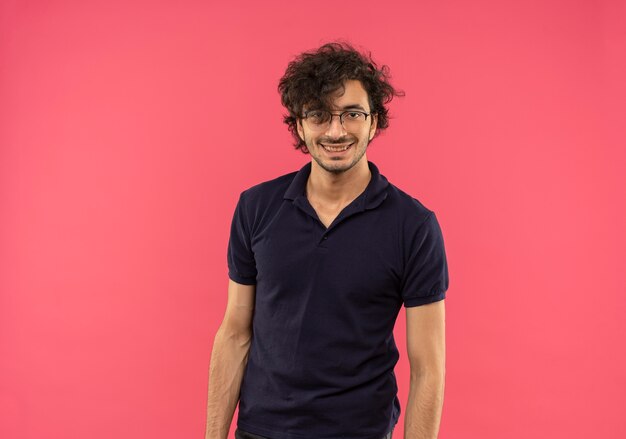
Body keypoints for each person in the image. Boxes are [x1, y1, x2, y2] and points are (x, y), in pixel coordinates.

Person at [205, 41, 449, 439]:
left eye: (352, 114)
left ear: (374, 122)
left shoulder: (414, 226)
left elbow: (428, 369)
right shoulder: (256, 207)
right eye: (319, 115)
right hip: (261, 431)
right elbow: (234, 333)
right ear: (300, 126)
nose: (336, 131)